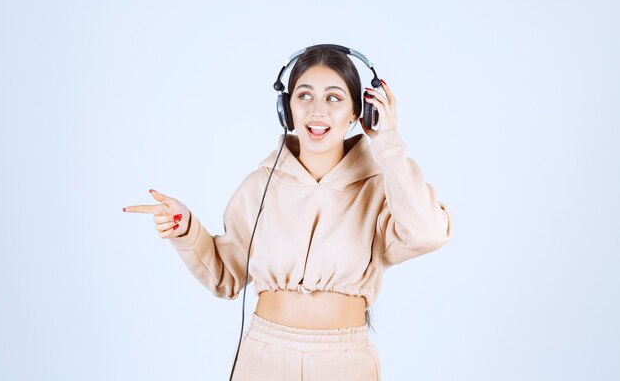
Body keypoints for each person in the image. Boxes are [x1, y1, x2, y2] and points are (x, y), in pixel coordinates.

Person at [123, 46, 453, 380]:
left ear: (359, 111)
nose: (317, 110)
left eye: (334, 98)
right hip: (263, 357)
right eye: (304, 96)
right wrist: (186, 231)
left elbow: (427, 233)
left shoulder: (382, 188)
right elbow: (226, 276)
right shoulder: (260, 185)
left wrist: (389, 144)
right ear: (287, 108)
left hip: (344, 362)